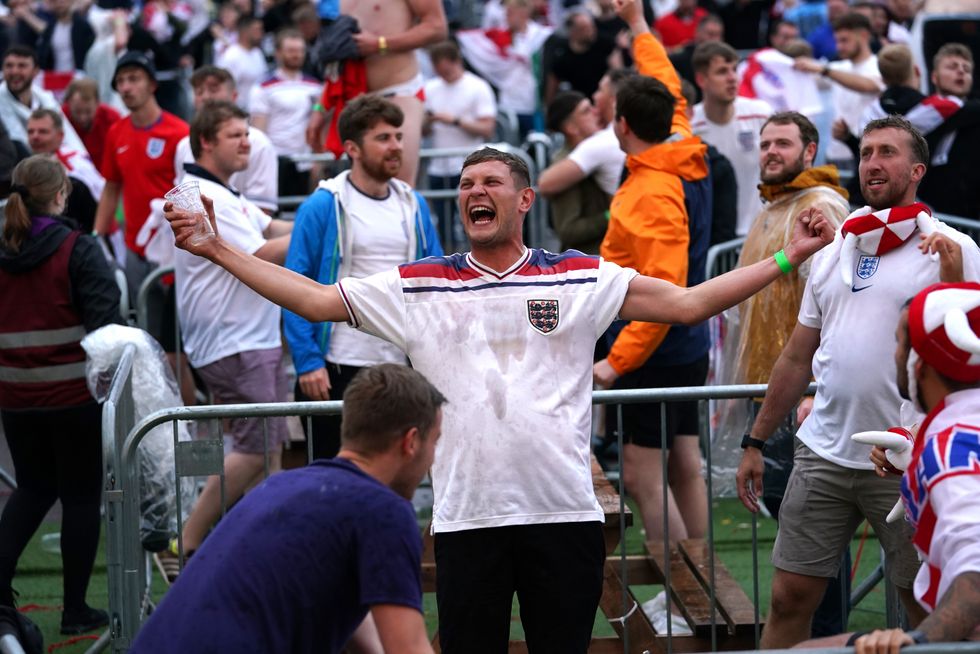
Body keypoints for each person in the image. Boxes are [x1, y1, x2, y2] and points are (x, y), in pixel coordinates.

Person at [165, 103, 835, 654]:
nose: (473, 193)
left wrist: (788, 255)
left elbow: (688, 303)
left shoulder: (577, 275)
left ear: (521, 201)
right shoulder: (421, 284)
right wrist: (214, 247)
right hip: (468, 520)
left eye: (489, 184)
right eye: (465, 185)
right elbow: (314, 301)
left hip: (564, 516)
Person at [735, 115, 980, 649]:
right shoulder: (837, 246)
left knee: (927, 610)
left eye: (887, 153)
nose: (872, 163)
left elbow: (967, 362)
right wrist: (755, 440)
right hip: (823, 451)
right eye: (866, 152)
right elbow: (798, 356)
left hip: (908, 459)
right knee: (787, 599)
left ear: (917, 170)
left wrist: (956, 279)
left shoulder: (952, 247)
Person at [129, 364, 444, 654]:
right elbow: (408, 647)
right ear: (411, 442)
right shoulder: (382, 511)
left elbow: (343, 607)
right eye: (435, 441)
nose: (434, 457)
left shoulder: (283, 487)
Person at [721, 110, 851, 636]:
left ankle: (827, 637)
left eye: (784, 143)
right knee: (792, 518)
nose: (771, 151)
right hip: (771, 390)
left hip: (807, 394)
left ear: (810, 151)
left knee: (816, 530)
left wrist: (816, 386)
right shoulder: (774, 206)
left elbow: (844, 297)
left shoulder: (821, 205)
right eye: (766, 143)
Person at [803, 281, 980, 651]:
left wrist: (917, 639)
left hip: (961, 637)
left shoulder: (950, 450)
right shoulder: (954, 429)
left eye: (900, 342)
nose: (894, 353)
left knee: (804, 652)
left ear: (921, 363)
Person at [591, 1, 711, 547]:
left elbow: (661, 294)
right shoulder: (681, 140)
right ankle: (702, 588)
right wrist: (638, 25)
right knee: (683, 459)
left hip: (653, 348)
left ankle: (684, 596)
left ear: (621, 124)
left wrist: (615, 365)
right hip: (682, 343)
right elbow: (666, 82)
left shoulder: (650, 193)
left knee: (642, 474)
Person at [0, 155, 120, 636]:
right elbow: (106, 327)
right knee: (79, 496)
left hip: (15, 396)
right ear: (61, 195)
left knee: (30, 489)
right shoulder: (79, 248)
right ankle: (75, 609)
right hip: (73, 395)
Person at [285, 94, 442, 461]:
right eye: (383, 138)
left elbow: (432, 279)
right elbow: (295, 283)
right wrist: (308, 360)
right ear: (353, 148)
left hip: (398, 365)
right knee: (332, 476)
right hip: (337, 366)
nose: (396, 147)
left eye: (399, 137)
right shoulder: (325, 203)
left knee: (396, 470)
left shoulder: (413, 203)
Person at [170, 100, 293, 566]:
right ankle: (189, 540)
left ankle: (261, 545)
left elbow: (271, 225)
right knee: (259, 449)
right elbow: (261, 251)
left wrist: (329, 213)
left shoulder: (222, 190)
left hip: (242, 337)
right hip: (235, 339)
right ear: (206, 141)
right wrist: (330, 224)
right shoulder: (202, 192)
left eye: (247, 133)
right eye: (236, 135)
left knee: (267, 450)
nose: (248, 142)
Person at [307, 0, 447, 185]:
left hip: (400, 90)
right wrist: (320, 108)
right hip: (355, 97)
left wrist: (380, 44)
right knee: (352, 184)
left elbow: (437, 28)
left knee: (399, 185)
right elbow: (340, 53)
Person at [691, 40, 772, 237]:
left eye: (734, 69)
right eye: (722, 71)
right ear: (702, 80)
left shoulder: (760, 114)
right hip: (714, 235)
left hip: (759, 231)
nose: (732, 78)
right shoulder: (689, 125)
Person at [423, 40, 496, 250]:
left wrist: (454, 121)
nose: (442, 75)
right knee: (443, 227)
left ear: (456, 62)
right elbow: (424, 129)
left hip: (470, 166)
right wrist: (427, 121)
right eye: (438, 70)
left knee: (474, 221)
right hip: (438, 167)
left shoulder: (477, 86)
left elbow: (487, 128)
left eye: (446, 69)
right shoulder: (431, 87)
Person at [176, 66, 278, 214]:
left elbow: (262, 213)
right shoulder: (184, 145)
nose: (205, 97)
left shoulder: (258, 143)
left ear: (234, 96)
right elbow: (184, 203)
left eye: (213, 89)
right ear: (205, 143)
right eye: (199, 92)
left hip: (245, 231)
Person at [795, 12, 884, 164]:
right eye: (837, 41)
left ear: (863, 35)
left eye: (844, 40)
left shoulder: (878, 65)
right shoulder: (837, 68)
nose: (839, 47)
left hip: (869, 155)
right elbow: (806, 78)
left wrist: (824, 71)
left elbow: (867, 85)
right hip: (835, 155)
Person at [249, 28, 323, 200]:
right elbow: (258, 131)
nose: (296, 55)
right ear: (278, 53)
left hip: (305, 162)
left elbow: (319, 126)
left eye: (300, 50)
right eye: (291, 50)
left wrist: (317, 160)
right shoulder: (263, 88)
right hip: (275, 161)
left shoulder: (314, 86)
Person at [536, 67, 630, 200]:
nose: (595, 96)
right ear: (570, 127)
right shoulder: (633, 130)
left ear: (613, 99)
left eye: (600, 90)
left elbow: (545, 183)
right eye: (586, 111)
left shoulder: (601, 143)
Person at [544, 91, 609, 254]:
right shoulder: (564, 168)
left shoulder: (602, 149)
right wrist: (610, 216)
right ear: (571, 128)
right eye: (586, 111)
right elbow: (568, 230)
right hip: (587, 266)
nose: (596, 112)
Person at [26, 108, 104, 234]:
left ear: (60, 136)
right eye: (30, 132)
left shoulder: (76, 165)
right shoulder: (26, 166)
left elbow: (98, 204)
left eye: (43, 132)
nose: (35, 136)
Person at [0, 45, 85, 153]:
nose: (14, 71)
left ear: (35, 71)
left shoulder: (45, 98)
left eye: (22, 66)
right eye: (9, 66)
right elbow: (19, 142)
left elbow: (68, 135)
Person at [544, 9, 621, 104]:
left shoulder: (605, 44)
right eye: (584, 28)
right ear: (572, 32)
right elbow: (553, 81)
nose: (591, 32)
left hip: (604, 99)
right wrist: (549, 107)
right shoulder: (562, 54)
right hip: (579, 103)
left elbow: (617, 72)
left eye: (592, 27)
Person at [61, 77, 121, 177]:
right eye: (77, 112)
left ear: (98, 103)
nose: (82, 118)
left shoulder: (111, 119)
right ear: (68, 103)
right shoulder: (61, 118)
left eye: (88, 111)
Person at [216, 14, 267, 112]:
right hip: (239, 113)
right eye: (257, 30)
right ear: (244, 32)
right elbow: (224, 89)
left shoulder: (258, 53)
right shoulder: (231, 56)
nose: (261, 34)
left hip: (257, 112)